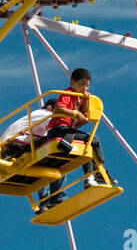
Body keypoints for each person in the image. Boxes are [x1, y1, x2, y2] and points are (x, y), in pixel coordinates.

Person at [37, 68, 118, 212]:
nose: (84, 88)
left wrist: (86, 99)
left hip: (67, 132)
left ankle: (58, 196)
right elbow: (58, 109)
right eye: (81, 85)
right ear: (72, 82)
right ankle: (96, 174)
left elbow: (84, 114)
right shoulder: (68, 93)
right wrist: (75, 113)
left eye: (86, 86)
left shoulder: (79, 97)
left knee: (78, 153)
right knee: (93, 140)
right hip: (59, 130)